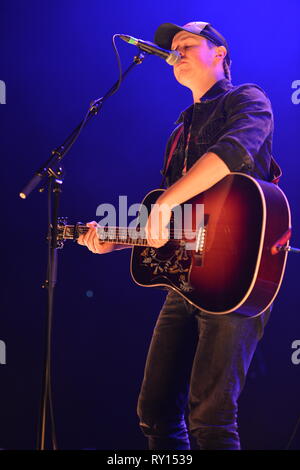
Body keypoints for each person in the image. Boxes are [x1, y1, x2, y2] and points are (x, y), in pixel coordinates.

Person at [78, 21, 277, 450]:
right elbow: (180, 223)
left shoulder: (248, 99)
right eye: (172, 48)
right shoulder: (179, 129)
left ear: (219, 54)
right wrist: (119, 238)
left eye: (187, 44)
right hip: (187, 282)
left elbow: (233, 154)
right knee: (154, 412)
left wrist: (165, 202)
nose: (176, 52)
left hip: (238, 276)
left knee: (211, 417)